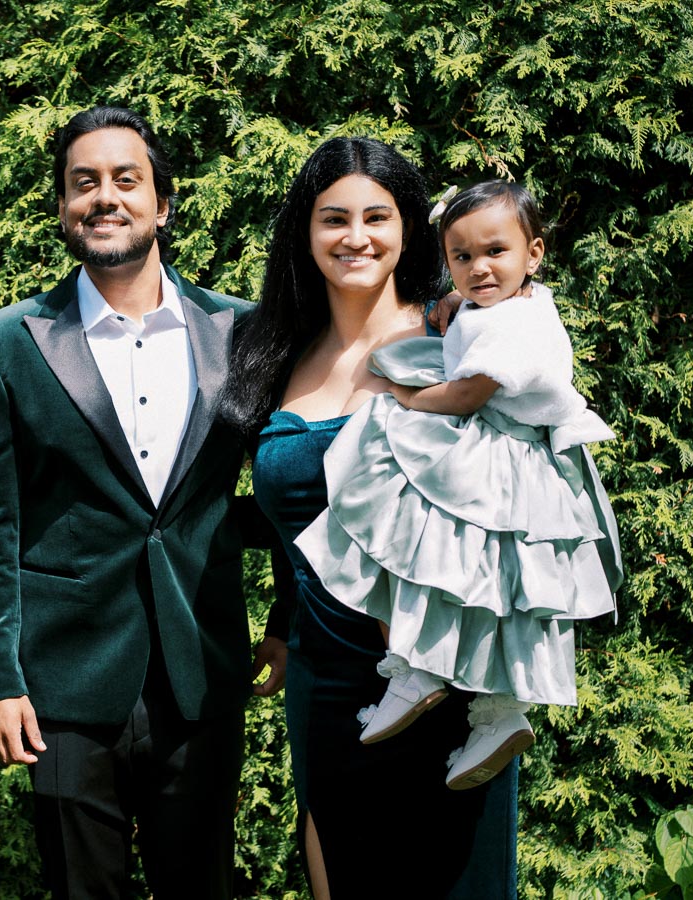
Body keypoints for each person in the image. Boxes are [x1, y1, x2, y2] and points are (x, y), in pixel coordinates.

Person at [0, 105, 288, 900]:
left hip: (201, 669)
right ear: (62, 208)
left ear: (162, 203)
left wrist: (285, 620)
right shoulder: (6, 341)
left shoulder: (243, 333)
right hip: (65, 684)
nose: (104, 196)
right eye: (84, 183)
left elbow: (288, 483)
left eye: (125, 179)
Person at [222, 137, 519, 898]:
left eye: (376, 217)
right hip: (323, 684)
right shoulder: (271, 353)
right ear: (305, 231)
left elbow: (520, 492)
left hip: (445, 681)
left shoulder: (458, 336)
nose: (356, 237)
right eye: (334, 218)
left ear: (409, 228)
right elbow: (297, 521)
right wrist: (282, 623)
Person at [295, 179, 623, 790]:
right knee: (496, 589)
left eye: (495, 252)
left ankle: (419, 667)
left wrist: (408, 397)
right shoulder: (509, 302)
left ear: (535, 253)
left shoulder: (517, 326)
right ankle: (497, 712)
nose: (478, 269)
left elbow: (468, 394)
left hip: (505, 454)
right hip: (518, 458)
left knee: (420, 526)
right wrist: (457, 299)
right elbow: (478, 311)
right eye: (462, 257)